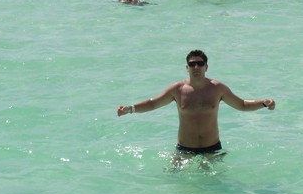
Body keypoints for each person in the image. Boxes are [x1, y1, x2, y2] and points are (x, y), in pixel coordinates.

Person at [116, 50, 275, 155]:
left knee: (214, 190)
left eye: (200, 63)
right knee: (175, 185)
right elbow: (152, 103)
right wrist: (130, 109)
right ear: (187, 67)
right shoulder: (177, 89)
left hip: (212, 149)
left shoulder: (218, 88)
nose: (196, 67)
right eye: (192, 64)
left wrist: (263, 102)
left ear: (206, 67)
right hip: (184, 149)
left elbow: (242, 105)